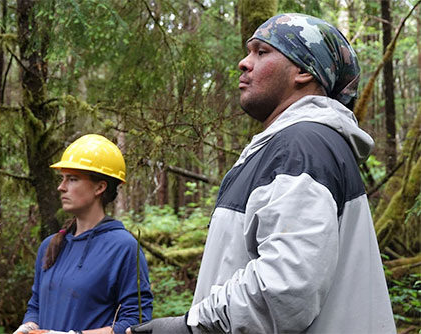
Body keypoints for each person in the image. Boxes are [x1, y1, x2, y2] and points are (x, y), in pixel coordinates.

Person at [128, 13, 396, 334]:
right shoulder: (288, 147)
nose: (243, 62)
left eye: (261, 51)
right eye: (248, 51)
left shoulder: (303, 146)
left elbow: (285, 286)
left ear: (303, 71)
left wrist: (190, 327)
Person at [14, 134, 153, 334]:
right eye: (62, 179)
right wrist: (28, 327)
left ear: (100, 187)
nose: (61, 187)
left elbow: (135, 324)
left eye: (72, 179)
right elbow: (36, 305)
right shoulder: (50, 245)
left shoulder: (124, 247)